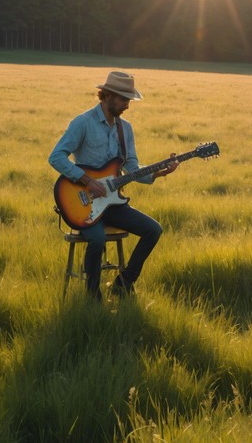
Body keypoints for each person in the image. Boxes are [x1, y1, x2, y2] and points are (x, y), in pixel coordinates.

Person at [49, 70, 178, 300]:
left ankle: (123, 283)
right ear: (107, 95)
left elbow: (131, 167)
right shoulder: (83, 123)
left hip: (114, 204)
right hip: (85, 204)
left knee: (153, 230)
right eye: (123, 99)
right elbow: (56, 157)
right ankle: (92, 296)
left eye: (129, 100)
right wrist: (87, 181)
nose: (127, 105)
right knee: (97, 239)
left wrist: (158, 173)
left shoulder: (124, 129)